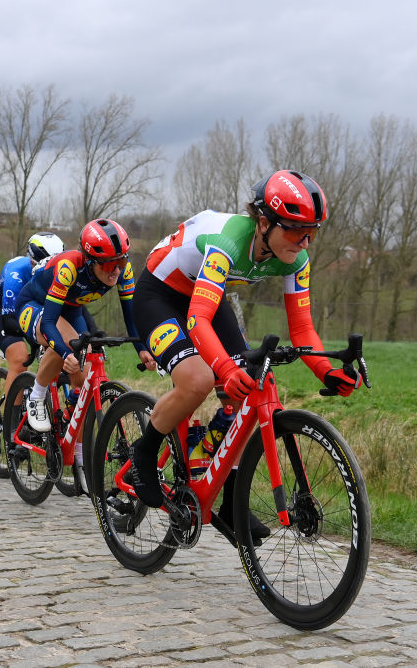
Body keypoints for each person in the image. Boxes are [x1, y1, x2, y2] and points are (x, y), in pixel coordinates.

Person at [128, 170, 362, 540]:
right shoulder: (229, 243)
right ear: (264, 222)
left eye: (312, 233)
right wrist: (223, 367)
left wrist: (326, 371)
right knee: (199, 379)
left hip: (206, 294)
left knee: (257, 380)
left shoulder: (295, 259)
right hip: (160, 295)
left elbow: (302, 329)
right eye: (295, 231)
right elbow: (197, 319)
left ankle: (231, 499)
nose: (304, 242)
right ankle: (145, 452)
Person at [15, 219, 155, 439]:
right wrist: (65, 352)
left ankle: (79, 456)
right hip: (34, 305)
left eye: (122, 260)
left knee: (85, 378)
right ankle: (36, 396)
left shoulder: (122, 271)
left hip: (71, 310)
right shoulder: (69, 268)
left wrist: (142, 349)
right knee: (68, 343)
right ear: (90, 261)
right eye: (109, 264)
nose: (117, 270)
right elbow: (50, 323)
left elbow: (132, 316)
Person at [0, 231, 65, 397]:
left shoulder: (63, 272)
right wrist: (34, 340)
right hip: (2, 311)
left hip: (32, 307)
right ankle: (10, 419)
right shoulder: (17, 273)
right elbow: (9, 321)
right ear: (32, 261)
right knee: (19, 360)